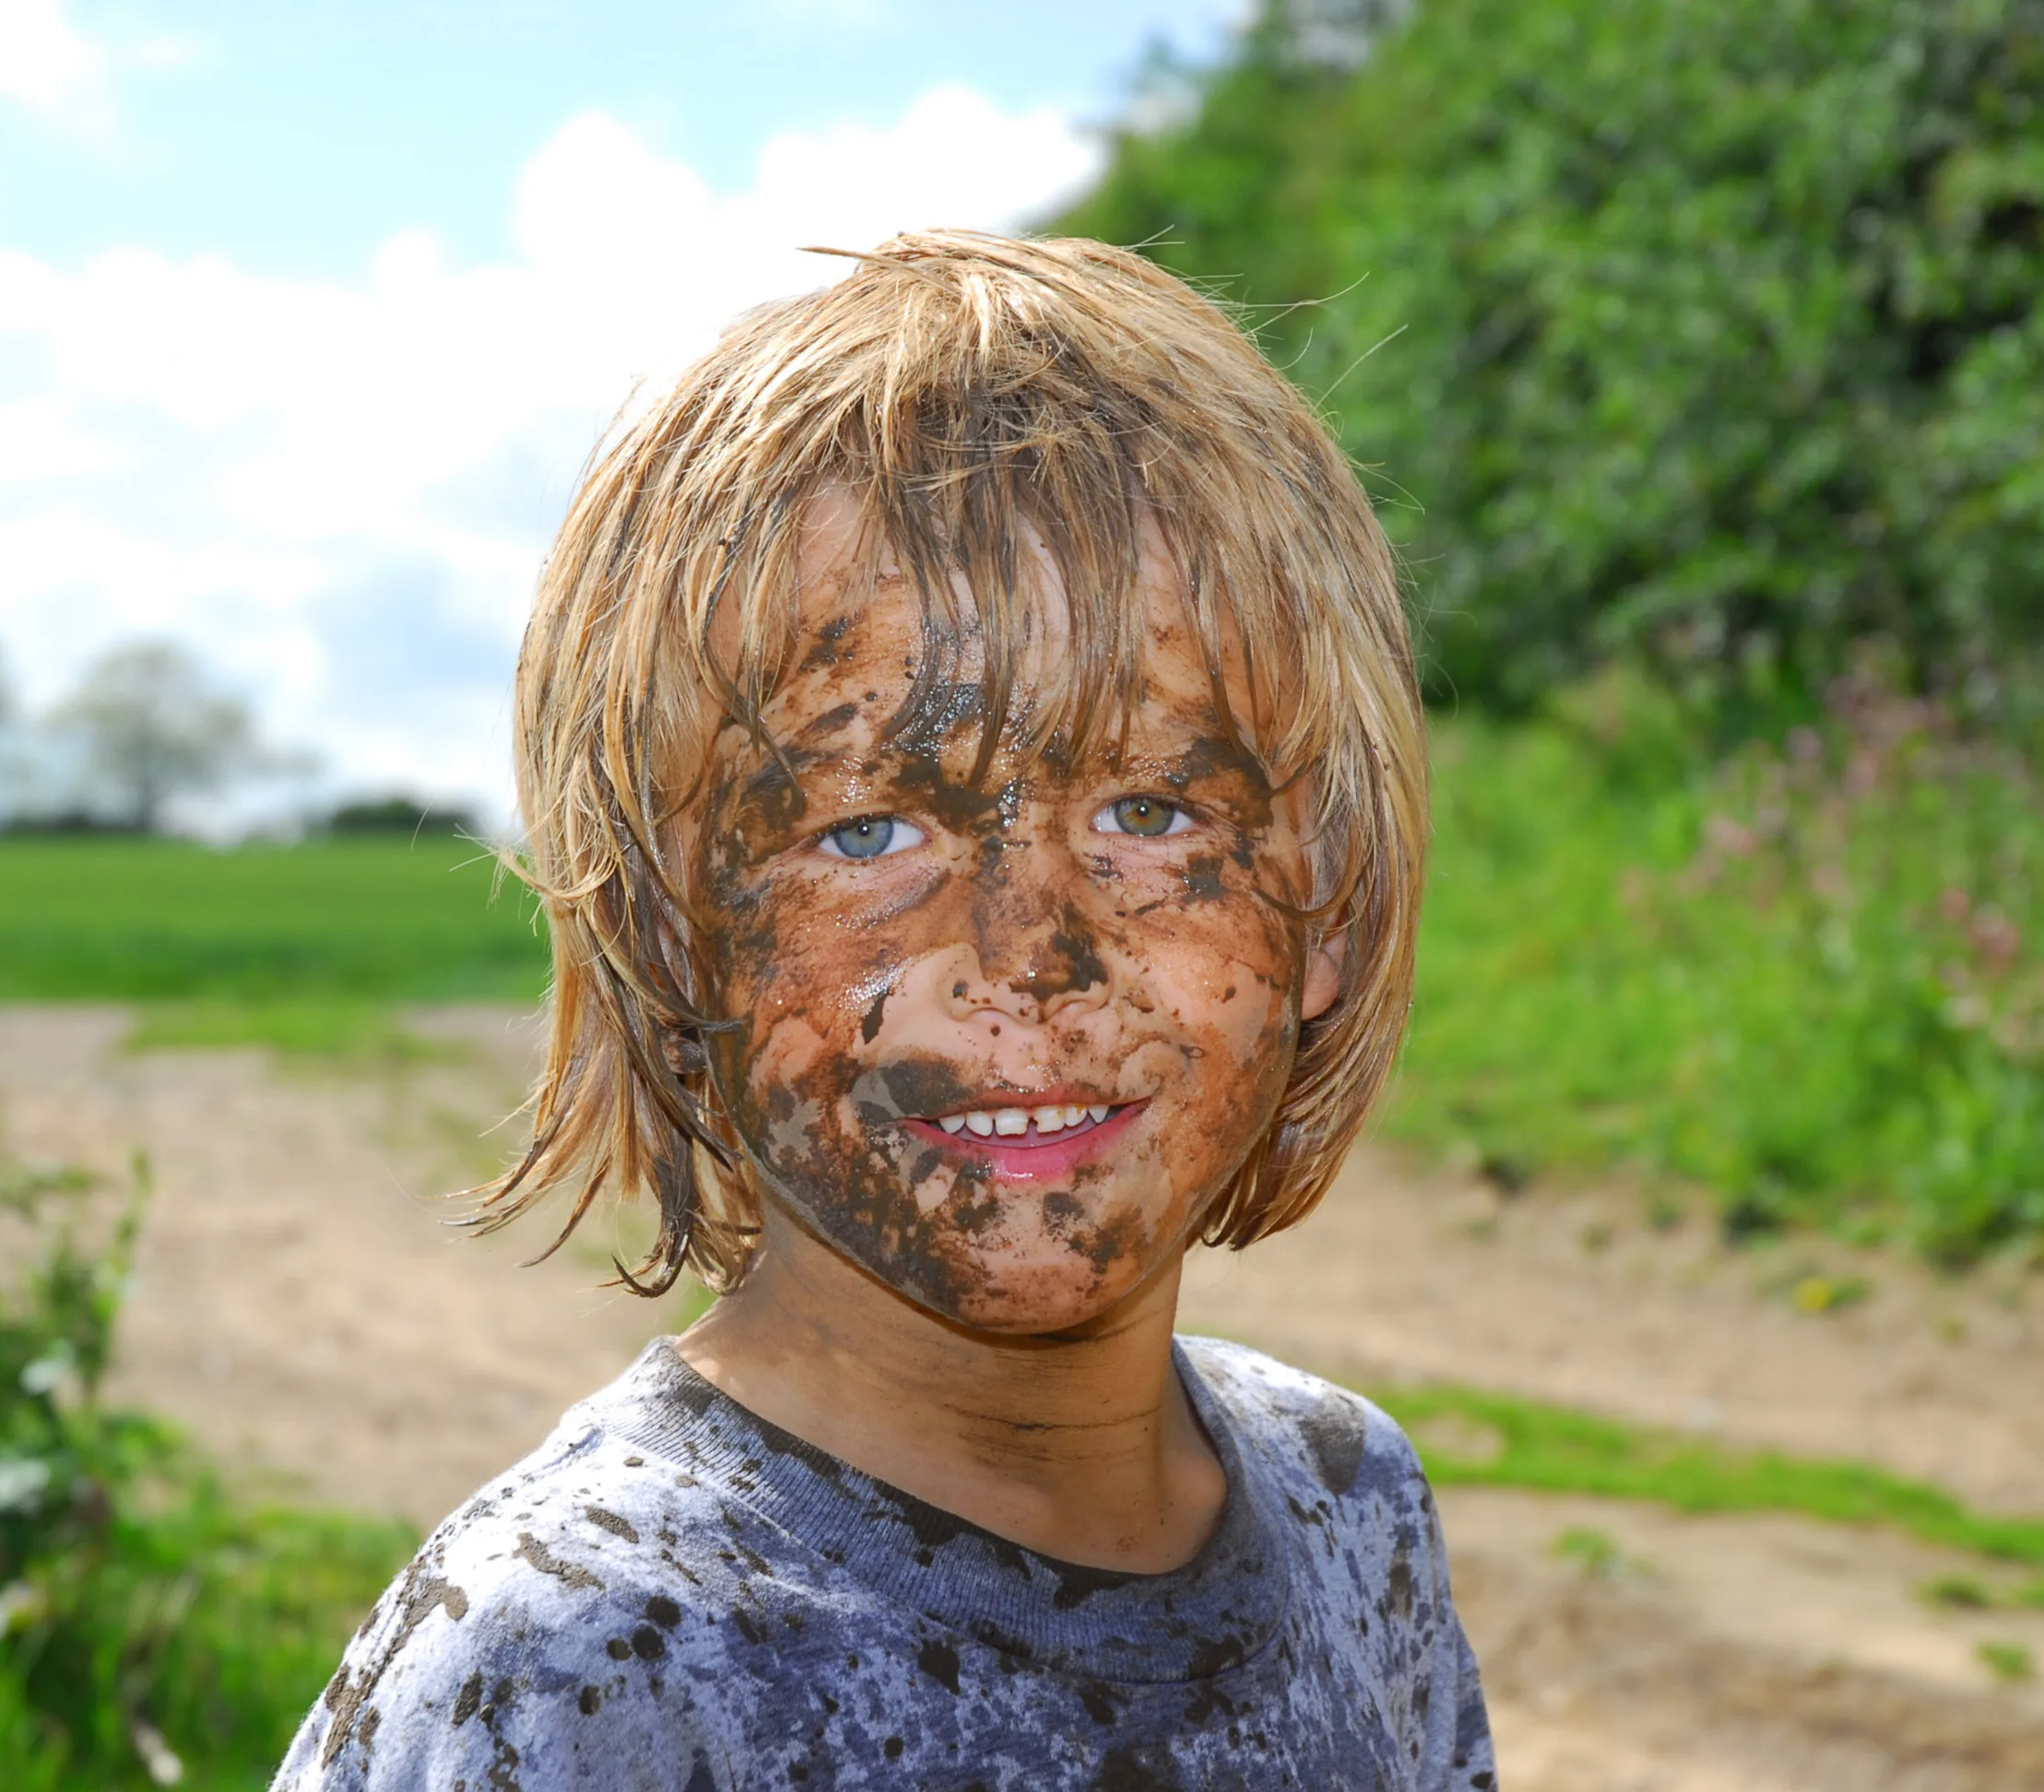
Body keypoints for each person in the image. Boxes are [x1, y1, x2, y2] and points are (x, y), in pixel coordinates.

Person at [273, 230, 1495, 1792]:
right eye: (868, 831)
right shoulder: (579, 1663)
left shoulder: (1352, 1507)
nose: (1032, 958)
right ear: (667, 928)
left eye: (1148, 811)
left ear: (1323, 893)